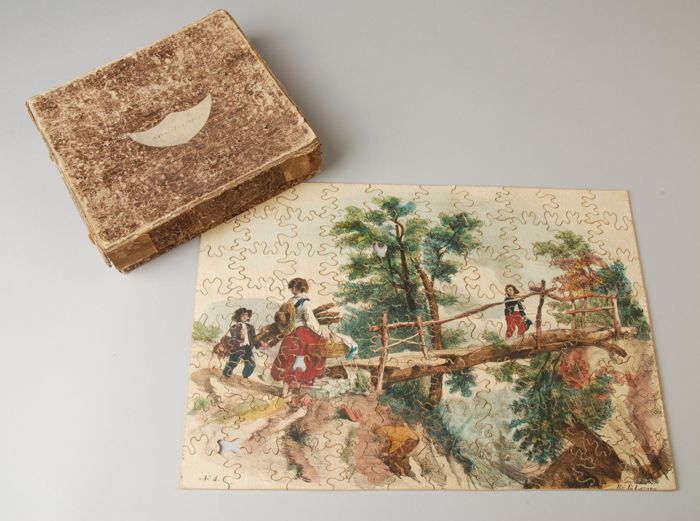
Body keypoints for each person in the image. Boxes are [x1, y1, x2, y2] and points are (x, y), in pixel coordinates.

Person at [271, 278, 328, 393]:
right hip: (302, 333)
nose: (293, 289)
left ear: (301, 288)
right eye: (292, 287)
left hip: (291, 333)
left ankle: (287, 391)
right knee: (311, 355)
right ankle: (300, 386)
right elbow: (309, 320)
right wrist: (319, 332)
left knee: (289, 360)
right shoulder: (304, 302)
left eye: (296, 287)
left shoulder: (290, 301)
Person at [223, 307, 267, 378]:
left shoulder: (250, 327)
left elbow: (254, 338)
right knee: (233, 362)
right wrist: (241, 336)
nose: (245, 316)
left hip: (247, 347)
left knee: (251, 364)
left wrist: (260, 344)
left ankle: (245, 376)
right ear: (238, 316)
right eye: (242, 315)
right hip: (238, 347)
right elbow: (234, 338)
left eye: (246, 315)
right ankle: (226, 374)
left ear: (248, 317)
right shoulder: (235, 326)